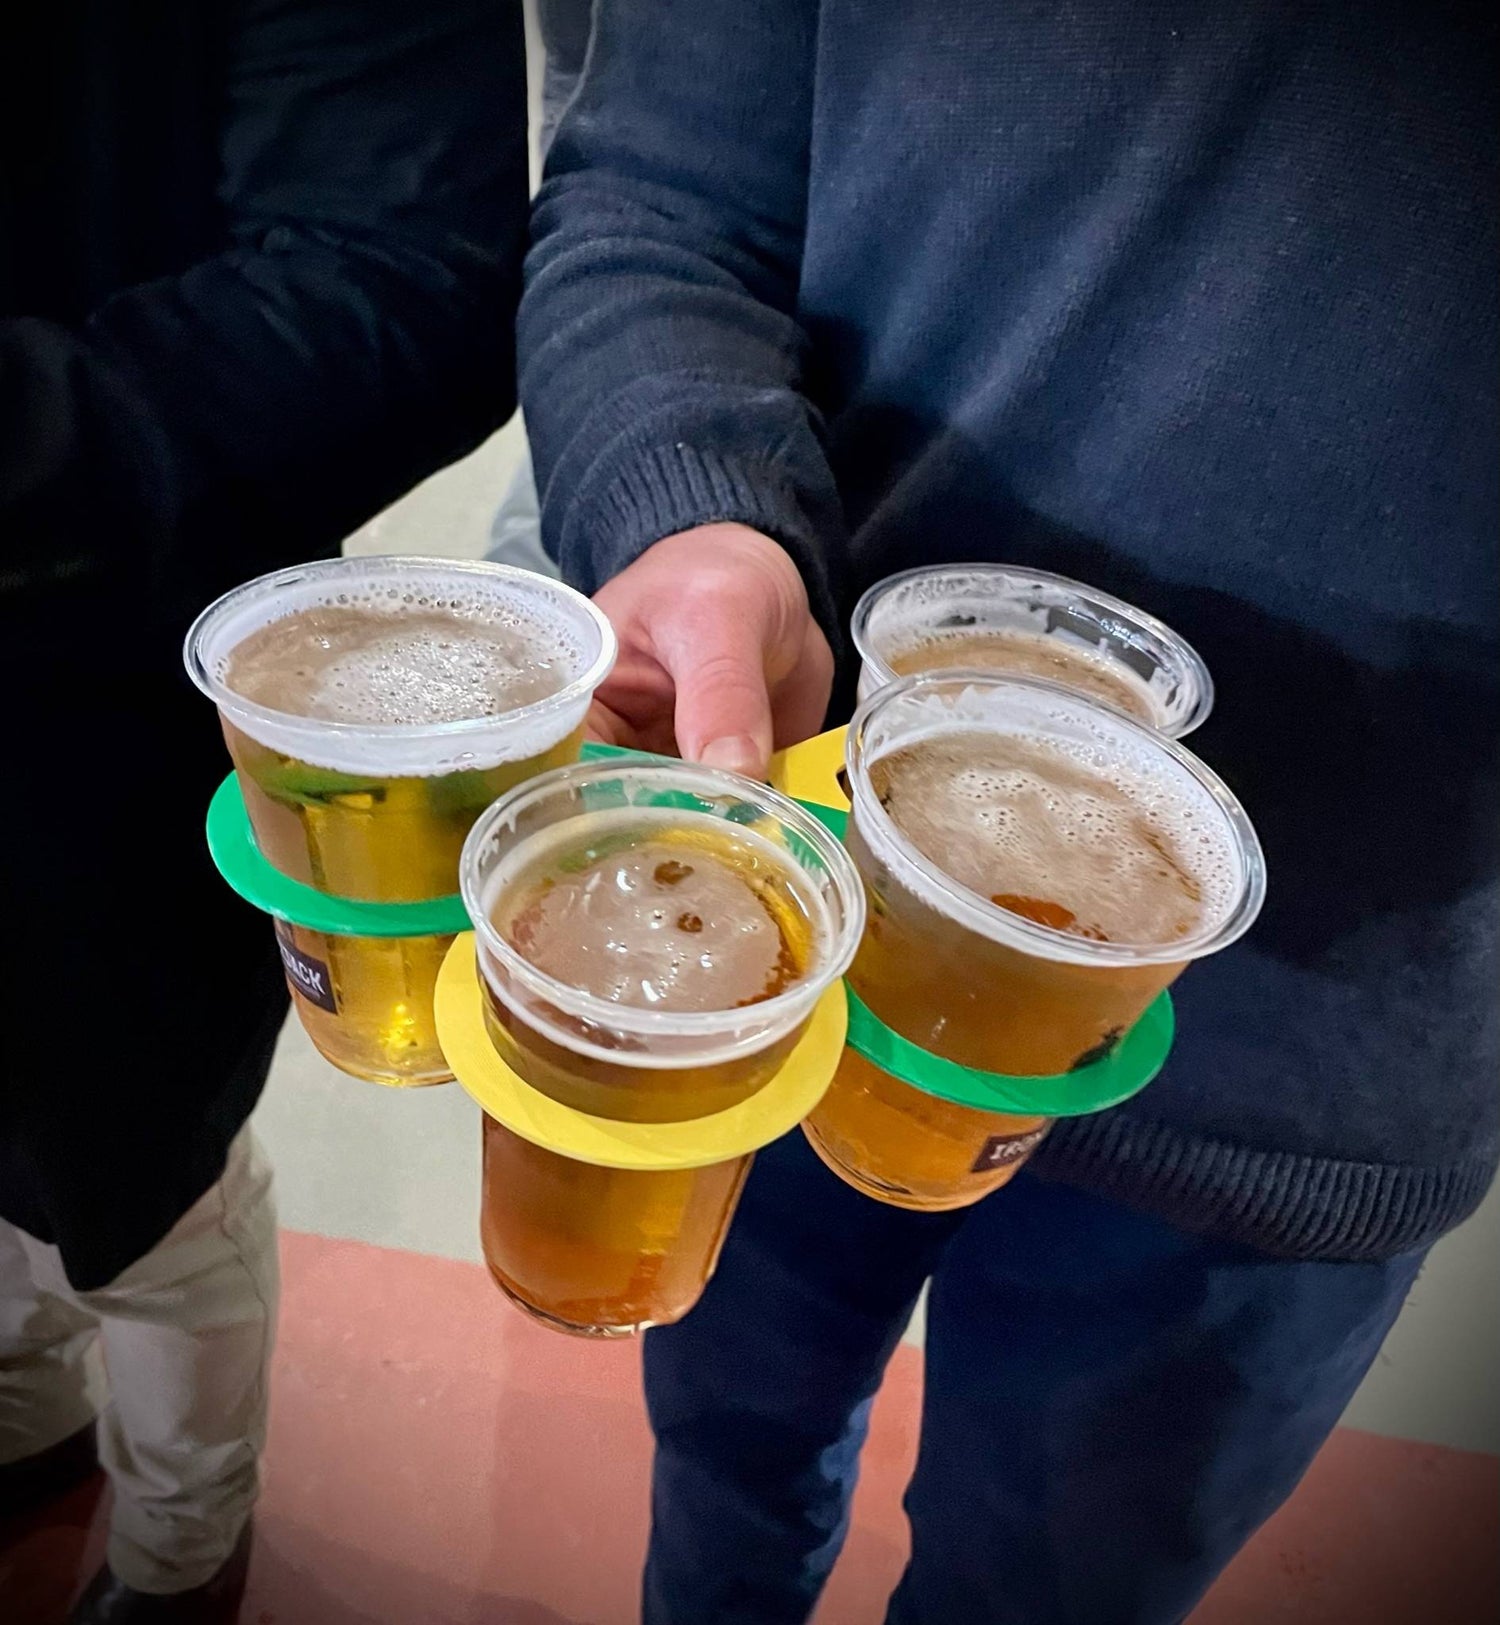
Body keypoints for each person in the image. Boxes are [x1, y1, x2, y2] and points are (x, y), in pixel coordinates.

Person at [516, 2, 1498, 1621]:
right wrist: (695, 500)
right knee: (721, 1468)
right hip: (800, 895)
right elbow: (663, 198)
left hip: (1320, 1039)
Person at [0, 4, 529, 1620]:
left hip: (102, 722)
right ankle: (33, 1413)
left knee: (153, 1208)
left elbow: (415, 271)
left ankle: (183, 1540)